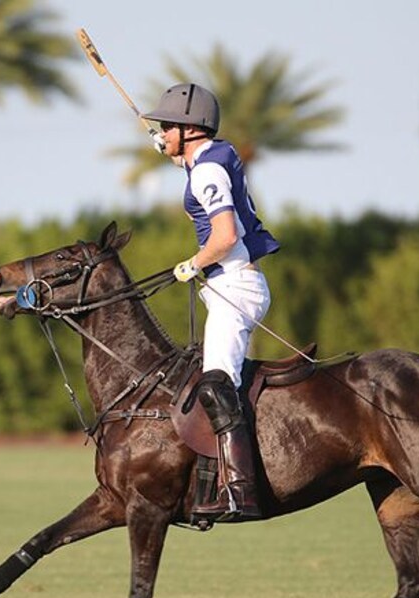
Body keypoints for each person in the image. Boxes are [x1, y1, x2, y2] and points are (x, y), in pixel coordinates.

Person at [142, 83, 280, 522]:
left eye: (167, 126)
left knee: (216, 384)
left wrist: (192, 263)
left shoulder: (206, 172)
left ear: (189, 128)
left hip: (233, 282)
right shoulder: (207, 161)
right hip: (233, 283)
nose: (161, 132)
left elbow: (225, 236)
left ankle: (240, 491)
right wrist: (173, 151)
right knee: (214, 382)